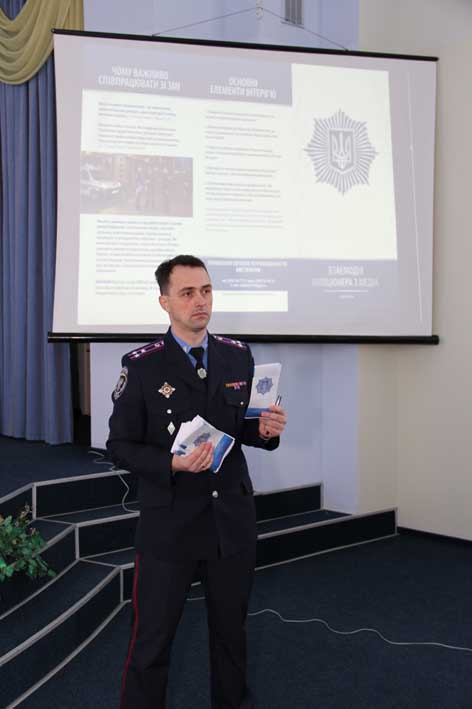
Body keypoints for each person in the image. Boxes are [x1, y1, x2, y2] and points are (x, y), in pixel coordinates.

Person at [107, 255, 287, 709]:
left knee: (231, 636)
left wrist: (265, 431)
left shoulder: (237, 355)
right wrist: (172, 464)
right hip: (170, 525)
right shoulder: (143, 366)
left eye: (205, 290)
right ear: (164, 302)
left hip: (230, 522)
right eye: (187, 293)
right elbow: (120, 446)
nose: (200, 301)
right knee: (152, 643)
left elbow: (243, 428)